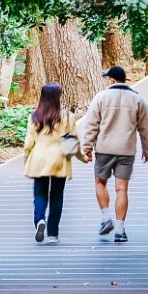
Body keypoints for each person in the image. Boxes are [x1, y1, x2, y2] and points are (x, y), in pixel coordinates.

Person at [80, 66, 148, 243]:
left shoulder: (101, 98)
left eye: (107, 78)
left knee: (100, 182)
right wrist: (147, 149)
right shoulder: (138, 100)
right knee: (122, 189)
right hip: (126, 151)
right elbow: (146, 128)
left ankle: (106, 218)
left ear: (112, 80)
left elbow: (91, 125)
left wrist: (87, 148)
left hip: (104, 149)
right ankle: (120, 230)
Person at [23, 84, 89, 244]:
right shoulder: (67, 116)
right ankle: (53, 234)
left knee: (39, 194)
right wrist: (83, 157)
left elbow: (28, 144)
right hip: (59, 159)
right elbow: (73, 141)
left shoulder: (35, 116)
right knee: (57, 196)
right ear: (58, 97)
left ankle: (40, 220)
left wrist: (27, 161)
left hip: (38, 159)